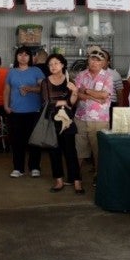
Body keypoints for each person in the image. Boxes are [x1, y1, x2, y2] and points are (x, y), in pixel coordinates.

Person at [41, 53, 83, 193]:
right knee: (54, 152)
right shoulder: (45, 82)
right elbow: (48, 102)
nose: (53, 66)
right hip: (52, 121)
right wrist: (64, 102)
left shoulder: (70, 81)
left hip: (67, 121)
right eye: (50, 64)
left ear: (63, 65)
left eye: (56, 63)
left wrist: (75, 91)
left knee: (71, 152)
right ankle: (58, 181)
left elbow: (72, 103)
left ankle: (77, 182)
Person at [3, 45, 45, 178]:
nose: (23, 57)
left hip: (34, 111)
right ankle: (18, 168)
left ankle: (34, 167)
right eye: (20, 54)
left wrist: (30, 89)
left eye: (26, 55)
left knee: (34, 141)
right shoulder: (12, 72)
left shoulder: (36, 70)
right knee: (17, 141)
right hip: (16, 112)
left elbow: (43, 88)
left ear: (30, 57)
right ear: (16, 57)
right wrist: (6, 105)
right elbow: (7, 90)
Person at [73, 50, 113, 176]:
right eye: (92, 59)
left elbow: (105, 94)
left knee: (98, 150)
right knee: (79, 148)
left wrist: (87, 91)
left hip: (100, 119)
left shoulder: (107, 76)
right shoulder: (81, 75)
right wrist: (96, 98)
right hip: (81, 117)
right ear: (88, 60)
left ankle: (98, 175)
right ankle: (75, 175)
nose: (94, 62)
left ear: (103, 63)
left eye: (98, 60)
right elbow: (76, 93)